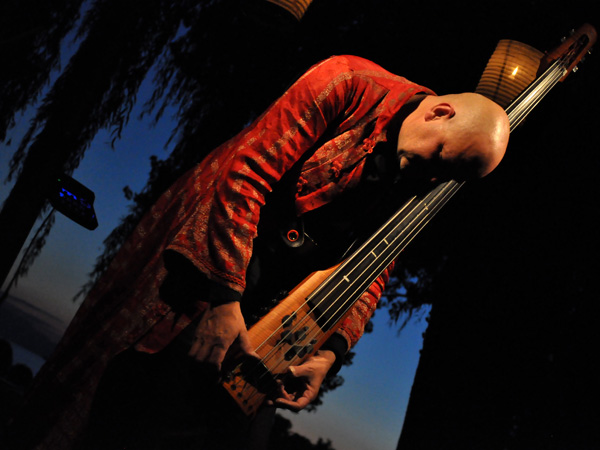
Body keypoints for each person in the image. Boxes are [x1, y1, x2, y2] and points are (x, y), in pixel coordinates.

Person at [3, 55, 509, 450]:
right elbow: (246, 176)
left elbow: (376, 270)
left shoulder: (420, 174)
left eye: (448, 177)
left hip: (272, 320)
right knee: (125, 416)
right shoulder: (348, 82)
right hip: (210, 267)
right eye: (441, 158)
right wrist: (225, 300)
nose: (432, 179)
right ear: (440, 111)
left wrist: (330, 356)